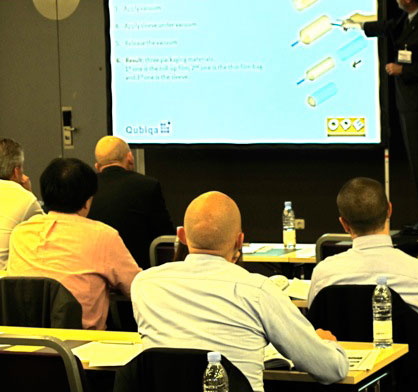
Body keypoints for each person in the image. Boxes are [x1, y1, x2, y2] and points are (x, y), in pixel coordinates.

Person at [131, 191, 349, 392]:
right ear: (240, 241)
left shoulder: (144, 285)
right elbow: (331, 369)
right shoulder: (258, 291)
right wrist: (326, 344)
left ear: (181, 236)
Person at [344, 0, 418, 236]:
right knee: (417, 163)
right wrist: (358, 25)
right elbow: (387, 27)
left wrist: (404, 70)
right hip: (408, 102)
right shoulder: (406, 20)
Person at [308, 177, 418, 346]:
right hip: (412, 364)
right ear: (389, 210)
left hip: (345, 362)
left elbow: (315, 331)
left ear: (344, 224)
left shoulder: (323, 274)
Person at [7, 158, 141, 329]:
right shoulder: (103, 236)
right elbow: (136, 288)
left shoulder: (20, 234)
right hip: (81, 342)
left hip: (21, 341)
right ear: (86, 201)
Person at [88, 136, 174, 268]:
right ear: (130, 157)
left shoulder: (85, 188)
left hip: (95, 268)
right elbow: (165, 234)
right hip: (138, 270)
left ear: (97, 166)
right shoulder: (148, 185)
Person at [0, 138, 44, 269]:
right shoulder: (24, 197)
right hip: (4, 276)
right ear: (16, 171)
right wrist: (29, 193)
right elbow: (49, 231)